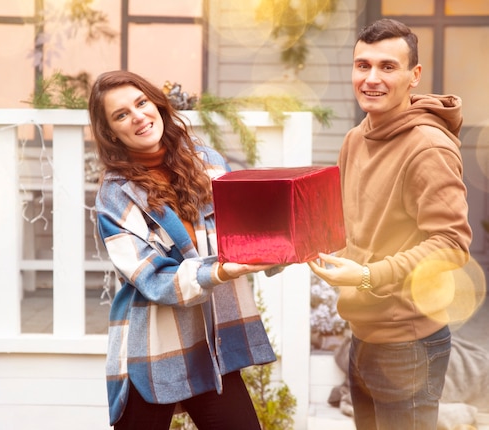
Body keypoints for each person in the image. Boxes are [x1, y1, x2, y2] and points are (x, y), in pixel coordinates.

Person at [88, 70, 279, 430]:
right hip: (153, 348)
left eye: (141, 103)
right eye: (121, 114)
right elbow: (153, 278)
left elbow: (239, 231)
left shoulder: (207, 162)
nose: (138, 117)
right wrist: (218, 271)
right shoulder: (115, 196)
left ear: (156, 104)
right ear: (111, 132)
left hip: (209, 345)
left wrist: (280, 245)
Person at [308, 18, 472, 430]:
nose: (372, 79)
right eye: (362, 65)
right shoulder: (355, 139)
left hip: (410, 342)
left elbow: (451, 243)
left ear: (413, 76)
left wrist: (366, 276)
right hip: (362, 335)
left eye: (387, 66)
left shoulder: (428, 148)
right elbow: (349, 225)